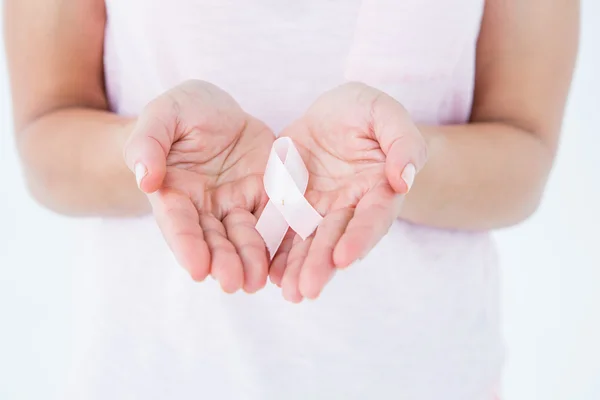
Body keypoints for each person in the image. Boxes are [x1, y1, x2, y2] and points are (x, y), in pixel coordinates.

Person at [4, 0, 578, 399]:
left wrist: (400, 159)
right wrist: (153, 155)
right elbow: (44, 140)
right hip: (155, 376)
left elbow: (524, 157)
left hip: (427, 377)